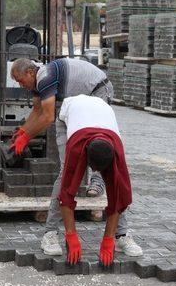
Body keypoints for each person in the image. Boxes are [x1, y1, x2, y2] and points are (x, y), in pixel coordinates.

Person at [9, 58, 142, 257]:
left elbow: (46, 117)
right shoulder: (40, 81)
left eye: (20, 80)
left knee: (111, 175)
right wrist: (22, 132)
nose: (20, 86)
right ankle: (51, 233)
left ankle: (120, 234)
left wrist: (27, 136)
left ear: (30, 72)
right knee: (67, 174)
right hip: (73, 107)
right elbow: (38, 110)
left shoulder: (44, 77)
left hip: (98, 92)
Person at [56, 94, 133, 266]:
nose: (95, 171)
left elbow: (119, 199)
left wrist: (108, 240)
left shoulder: (117, 153)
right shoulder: (77, 149)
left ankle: (118, 237)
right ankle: (50, 234)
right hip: (69, 113)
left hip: (101, 111)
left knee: (118, 188)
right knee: (64, 177)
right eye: (93, 168)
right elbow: (66, 195)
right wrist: (71, 235)